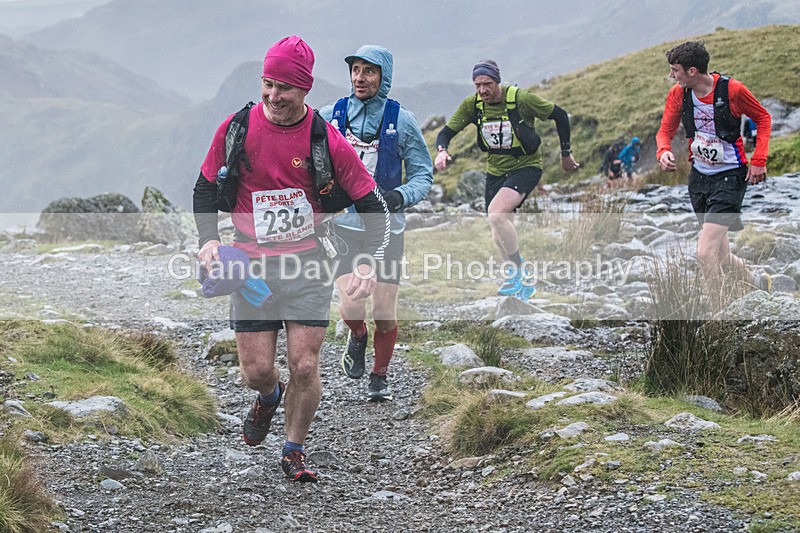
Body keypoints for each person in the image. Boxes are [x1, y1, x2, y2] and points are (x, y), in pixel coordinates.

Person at [192, 36, 391, 482]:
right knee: (257, 372)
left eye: (284, 87)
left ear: (304, 90)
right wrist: (208, 240)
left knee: (304, 363)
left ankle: (293, 448)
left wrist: (365, 261)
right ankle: (269, 396)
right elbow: (205, 189)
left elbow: (372, 203)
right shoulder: (236, 129)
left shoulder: (325, 138)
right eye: (267, 84)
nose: (273, 96)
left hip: (308, 264)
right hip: (249, 266)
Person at [319, 45, 433, 401]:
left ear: (384, 77)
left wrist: (399, 198)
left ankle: (379, 376)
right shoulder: (328, 116)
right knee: (350, 305)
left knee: (384, 311)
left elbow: (422, 174)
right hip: (342, 227)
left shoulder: (402, 120)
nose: (359, 77)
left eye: (369, 71)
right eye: (355, 69)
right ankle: (356, 335)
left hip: (386, 229)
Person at [434, 60, 580, 298]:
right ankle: (518, 283)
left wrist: (566, 154)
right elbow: (446, 132)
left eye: (487, 84)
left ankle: (519, 272)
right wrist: (442, 150)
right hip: (496, 170)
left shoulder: (521, 99)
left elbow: (560, 115)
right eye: (477, 85)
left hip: (526, 166)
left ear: (497, 81)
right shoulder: (473, 105)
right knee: (497, 229)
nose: (482, 90)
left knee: (497, 214)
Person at [655, 40, 772, 295]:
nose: (671, 75)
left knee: (704, 252)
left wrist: (759, 160)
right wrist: (663, 151)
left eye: (675, 70)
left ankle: (720, 315)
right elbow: (665, 130)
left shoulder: (732, 90)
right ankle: (758, 284)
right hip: (699, 177)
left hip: (730, 176)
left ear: (692, 71)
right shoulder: (679, 93)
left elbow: (763, 118)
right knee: (720, 255)